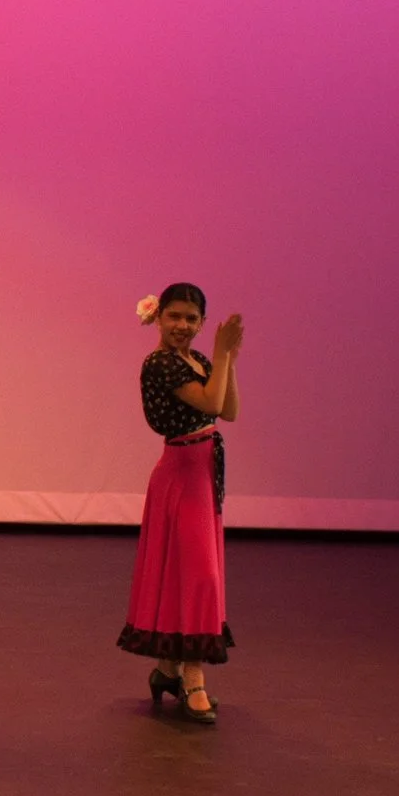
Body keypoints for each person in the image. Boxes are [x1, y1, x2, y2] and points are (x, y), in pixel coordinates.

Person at [120, 282, 244, 724]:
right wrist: (223, 354)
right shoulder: (160, 364)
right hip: (181, 476)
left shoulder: (198, 361)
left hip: (202, 473)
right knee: (199, 575)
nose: (182, 325)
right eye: (174, 316)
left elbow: (227, 410)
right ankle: (193, 677)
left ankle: (168, 669)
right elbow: (210, 400)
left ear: (202, 322)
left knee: (187, 572)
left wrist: (227, 358)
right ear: (158, 317)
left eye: (191, 318)